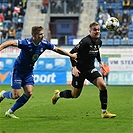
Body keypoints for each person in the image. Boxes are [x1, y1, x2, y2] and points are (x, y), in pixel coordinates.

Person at [0, 26, 77, 119]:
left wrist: (70, 55)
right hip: (18, 71)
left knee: (29, 92)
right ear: (33, 35)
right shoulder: (26, 43)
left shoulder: (44, 44)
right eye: (40, 34)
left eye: (42, 34)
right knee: (15, 95)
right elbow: (10, 42)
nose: (42, 36)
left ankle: (10, 112)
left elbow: (57, 49)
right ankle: (3, 94)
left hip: (28, 72)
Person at [51, 22, 116, 118]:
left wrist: (100, 62)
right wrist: (74, 67)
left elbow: (97, 50)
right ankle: (58, 94)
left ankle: (104, 112)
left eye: (98, 29)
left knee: (102, 85)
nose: (97, 31)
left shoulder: (99, 42)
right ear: (90, 31)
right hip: (79, 69)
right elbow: (72, 53)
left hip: (90, 69)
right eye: (95, 30)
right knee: (74, 95)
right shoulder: (85, 42)